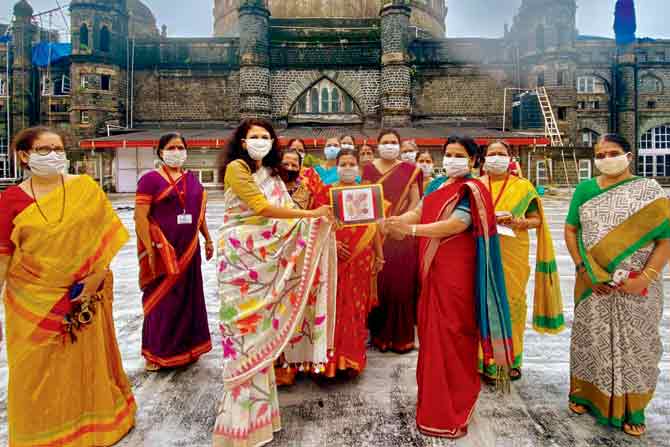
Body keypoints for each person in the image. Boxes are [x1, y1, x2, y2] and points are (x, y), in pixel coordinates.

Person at [0, 127, 136, 446]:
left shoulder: (85, 189)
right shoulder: (9, 201)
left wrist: (96, 277)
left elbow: (104, 238)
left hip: (85, 296)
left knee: (84, 366)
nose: (54, 155)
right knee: (35, 373)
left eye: (58, 149)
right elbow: (4, 258)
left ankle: (94, 426)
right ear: (24, 155)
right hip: (32, 304)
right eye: (44, 150)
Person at [213, 118, 334, 447]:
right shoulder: (238, 169)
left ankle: (261, 420)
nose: (261, 141)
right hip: (240, 262)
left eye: (266, 136)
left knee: (260, 335)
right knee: (242, 338)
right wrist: (311, 217)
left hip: (265, 263)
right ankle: (237, 425)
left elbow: (285, 209)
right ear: (242, 141)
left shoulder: (270, 175)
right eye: (255, 136)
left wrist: (318, 221)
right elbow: (261, 208)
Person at [384, 136, 514, 439]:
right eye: (448, 154)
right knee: (431, 337)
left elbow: (457, 225)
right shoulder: (436, 185)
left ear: (472, 161)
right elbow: (418, 211)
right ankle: (432, 405)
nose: (452, 159)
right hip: (431, 270)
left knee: (454, 334)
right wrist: (397, 220)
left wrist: (411, 230)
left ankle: (454, 407)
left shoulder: (473, 189)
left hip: (457, 274)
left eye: (459, 155)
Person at [564, 134, 670, 437]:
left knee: (638, 347)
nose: (606, 159)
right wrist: (584, 268)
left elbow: (665, 240)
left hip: (639, 286)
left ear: (629, 155)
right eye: (600, 155)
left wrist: (645, 278)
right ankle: (583, 394)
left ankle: (634, 408)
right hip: (593, 283)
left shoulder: (649, 190)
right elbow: (571, 231)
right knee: (590, 340)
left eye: (613, 153)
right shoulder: (585, 190)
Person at [478, 141, 564, 382]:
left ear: (510, 157)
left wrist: (518, 221)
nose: (496, 158)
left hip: (512, 251)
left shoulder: (524, 187)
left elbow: (536, 220)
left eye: (501, 154)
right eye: (491, 154)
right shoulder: (474, 186)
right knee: (483, 305)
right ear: (484, 159)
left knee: (511, 304)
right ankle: (485, 360)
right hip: (480, 251)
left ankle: (511, 358)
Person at [134, 132, 213, 372]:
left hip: (189, 250)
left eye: (180, 147)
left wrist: (207, 239)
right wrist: (149, 250)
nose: (176, 152)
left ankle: (189, 349)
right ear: (160, 152)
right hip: (161, 251)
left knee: (188, 300)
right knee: (160, 303)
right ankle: (155, 353)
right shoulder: (149, 180)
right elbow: (140, 217)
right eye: (171, 147)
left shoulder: (193, 181)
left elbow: (200, 215)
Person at [321, 148, 384, 378]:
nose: (347, 168)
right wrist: (331, 245)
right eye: (343, 164)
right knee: (333, 306)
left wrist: (379, 254)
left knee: (356, 308)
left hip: (361, 258)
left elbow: (375, 225)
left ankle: (352, 358)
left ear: (358, 167)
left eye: (351, 164)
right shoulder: (326, 192)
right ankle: (330, 360)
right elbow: (317, 225)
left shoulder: (368, 192)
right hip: (334, 256)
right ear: (336, 167)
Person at [362, 129, 422, 353]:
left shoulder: (411, 170)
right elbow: (365, 197)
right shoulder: (369, 168)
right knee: (380, 284)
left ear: (399, 145)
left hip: (401, 233)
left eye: (393, 142)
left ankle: (401, 338)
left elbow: (416, 201)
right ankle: (379, 337)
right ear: (378, 145)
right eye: (385, 142)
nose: (390, 145)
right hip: (376, 233)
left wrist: (400, 222)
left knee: (401, 287)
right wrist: (378, 223)